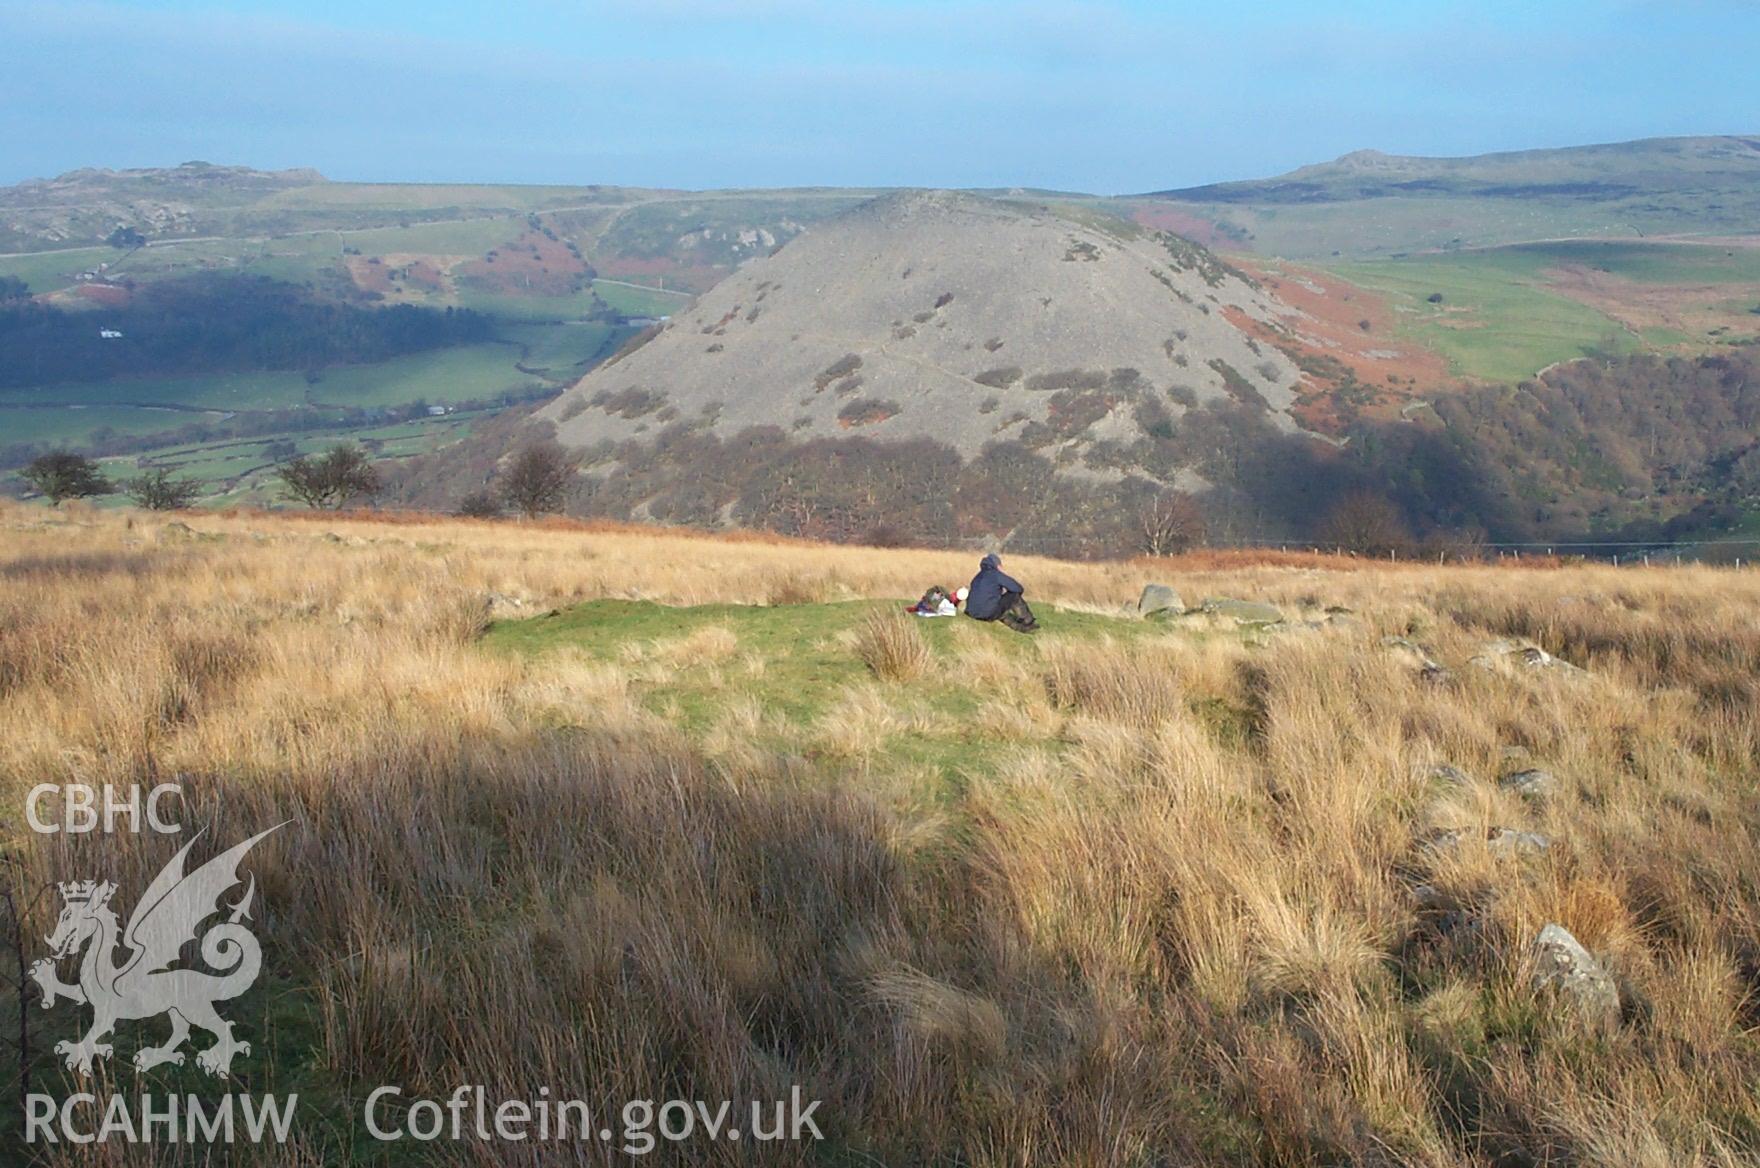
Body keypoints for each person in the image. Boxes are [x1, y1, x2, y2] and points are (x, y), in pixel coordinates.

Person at [963, 553, 1039, 633]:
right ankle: (1028, 621)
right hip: (988, 612)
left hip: (972, 613)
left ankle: (1022, 629)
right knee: (1013, 596)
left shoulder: (977, 576)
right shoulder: (996, 574)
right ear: (996, 565)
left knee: (998, 610)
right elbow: (1017, 588)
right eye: (1000, 565)